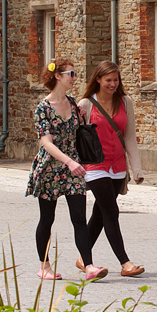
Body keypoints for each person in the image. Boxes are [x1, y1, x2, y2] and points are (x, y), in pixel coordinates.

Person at [24, 58, 98, 281]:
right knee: (47, 218)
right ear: (58, 76)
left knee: (79, 217)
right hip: (50, 167)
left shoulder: (74, 103)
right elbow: (46, 143)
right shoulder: (43, 108)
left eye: (74, 74)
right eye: (71, 74)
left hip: (73, 166)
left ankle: (89, 266)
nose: (74, 79)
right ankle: (44, 266)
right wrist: (69, 162)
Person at [76, 59, 145, 277]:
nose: (113, 84)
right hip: (95, 165)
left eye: (115, 80)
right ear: (98, 79)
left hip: (118, 166)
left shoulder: (126, 102)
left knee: (100, 213)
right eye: (108, 80)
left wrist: (137, 169)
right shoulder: (86, 105)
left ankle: (82, 257)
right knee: (110, 211)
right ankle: (125, 263)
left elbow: (130, 137)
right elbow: (77, 138)